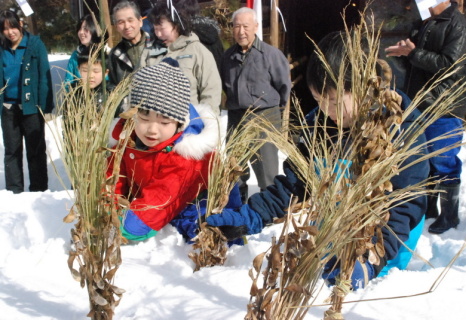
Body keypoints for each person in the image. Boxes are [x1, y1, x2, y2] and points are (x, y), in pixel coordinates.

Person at [207, 31, 430, 290]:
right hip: (326, 241)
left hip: (381, 257)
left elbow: (403, 205)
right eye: (318, 100)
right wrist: (253, 214)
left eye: (334, 101)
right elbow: (295, 184)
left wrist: (368, 262)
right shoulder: (319, 125)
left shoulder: (400, 129)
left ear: (366, 86)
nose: (327, 110)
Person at [108, 58, 227, 241]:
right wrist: (106, 208)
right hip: (149, 202)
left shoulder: (186, 157)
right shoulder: (128, 141)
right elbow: (111, 180)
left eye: (164, 122)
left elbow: (153, 209)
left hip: (195, 214)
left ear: (179, 123)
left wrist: (118, 225)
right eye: (144, 118)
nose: (152, 130)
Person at [385, 0, 466, 234]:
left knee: (443, 158)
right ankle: (430, 208)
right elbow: (421, 63)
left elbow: (451, 65)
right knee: (423, 158)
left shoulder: (456, 25)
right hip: (421, 103)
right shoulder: (425, 23)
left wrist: (413, 53)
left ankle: (450, 215)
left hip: (443, 105)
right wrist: (404, 55)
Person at [220, 7, 291, 201]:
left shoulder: (271, 55)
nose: (241, 31)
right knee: (236, 165)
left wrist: (277, 113)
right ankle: (237, 205)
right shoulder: (227, 57)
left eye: (246, 26)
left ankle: (267, 207)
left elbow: (284, 86)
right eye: (237, 26)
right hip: (236, 118)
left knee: (266, 167)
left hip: (265, 116)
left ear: (256, 27)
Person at [0, 10, 53, 194]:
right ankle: (14, 191)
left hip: (31, 107)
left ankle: (39, 190)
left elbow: (44, 77)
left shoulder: (34, 45)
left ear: (20, 25)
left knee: (36, 150)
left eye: (13, 26)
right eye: (5, 28)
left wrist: (46, 106)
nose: (10, 32)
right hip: (8, 107)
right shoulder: (2, 48)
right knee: (12, 151)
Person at [147, 0, 222, 114]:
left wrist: (205, 122)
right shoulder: (150, 51)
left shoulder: (197, 51)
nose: (158, 34)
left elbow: (211, 91)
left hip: (188, 124)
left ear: (177, 24)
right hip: (155, 125)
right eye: (155, 29)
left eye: (162, 29)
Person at [108, 0, 165, 89]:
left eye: (130, 20)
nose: (126, 26)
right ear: (116, 27)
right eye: (121, 22)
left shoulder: (159, 47)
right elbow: (113, 87)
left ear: (140, 21)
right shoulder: (115, 55)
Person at [64, 14, 108, 88]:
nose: (81, 32)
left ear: (95, 29)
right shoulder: (75, 55)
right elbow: (67, 84)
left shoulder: (108, 54)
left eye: (85, 29)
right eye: (79, 29)